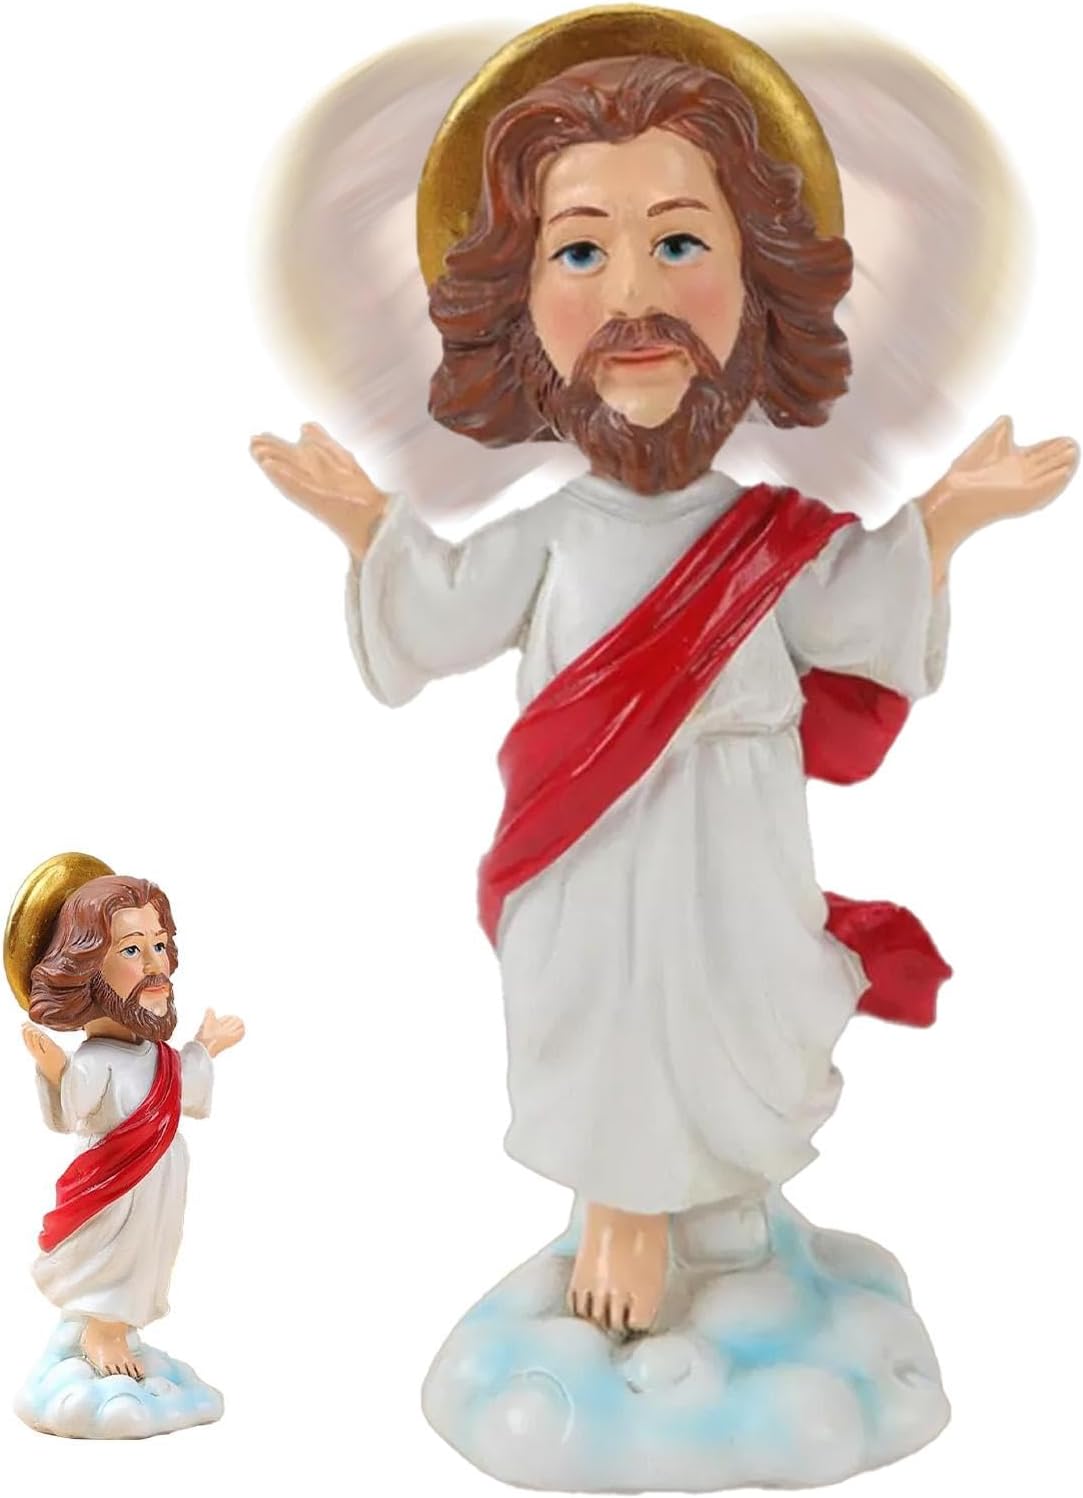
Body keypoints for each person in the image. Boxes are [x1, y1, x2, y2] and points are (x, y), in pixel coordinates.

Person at [250, 46, 1077, 1336]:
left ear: (758, 281)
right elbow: (435, 619)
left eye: (680, 242)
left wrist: (951, 515)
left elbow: (861, 609)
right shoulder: (551, 533)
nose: (634, 297)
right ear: (518, 301)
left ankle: (726, 1202)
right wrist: (370, 528)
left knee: (749, 1001)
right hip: (589, 849)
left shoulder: (769, 536)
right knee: (609, 1004)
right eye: (581, 252)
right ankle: (622, 1205)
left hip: (739, 833)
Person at [19, 867, 244, 1378]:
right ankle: (101, 1331)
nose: (155, 965)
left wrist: (206, 1045)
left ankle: (116, 1328)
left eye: (159, 946)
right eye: (131, 950)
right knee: (112, 1258)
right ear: (85, 969)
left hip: (157, 1187)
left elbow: (183, 1088)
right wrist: (55, 1071)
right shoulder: (97, 1059)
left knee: (147, 1257)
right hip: (114, 1187)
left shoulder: (155, 1056)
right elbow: (74, 1111)